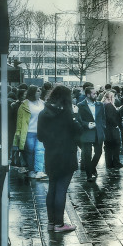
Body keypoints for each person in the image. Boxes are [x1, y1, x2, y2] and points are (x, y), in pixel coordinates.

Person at [38, 85, 82, 233]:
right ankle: (59, 224)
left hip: (50, 155)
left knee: (52, 188)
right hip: (67, 155)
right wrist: (75, 118)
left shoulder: (43, 113)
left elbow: (40, 136)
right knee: (61, 190)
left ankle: (51, 223)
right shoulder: (67, 114)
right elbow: (78, 131)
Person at [13, 85, 47, 179]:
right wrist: (18, 133)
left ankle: (39, 170)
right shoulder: (24, 105)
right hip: (28, 132)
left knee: (40, 151)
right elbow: (19, 121)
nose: (39, 92)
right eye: (37, 91)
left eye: (40, 91)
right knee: (30, 152)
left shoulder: (43, 103)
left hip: (40, 131)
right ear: (32, 92)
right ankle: (31, 170)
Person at [77, 86, 106, 182]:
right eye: (94, 93)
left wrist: (102, 127)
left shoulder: (100, 104)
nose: (96, 95)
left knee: (99, 152)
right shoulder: (81, 105)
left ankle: (92, 167)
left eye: (96, 93)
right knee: (87, 154)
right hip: (87, 132)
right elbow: (79, 119)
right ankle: (89, 175)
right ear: (88, 94)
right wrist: (86, 124)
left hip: (98, 131)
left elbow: (103, 117)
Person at [102, 90, 123, 169]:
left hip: (107, 129)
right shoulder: (109, 105)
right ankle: (116, 163)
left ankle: (109, 163)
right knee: (116, 145)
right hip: (112, 129)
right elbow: (110, 117)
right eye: (113, 96)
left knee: (108, 147)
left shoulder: (104, 104)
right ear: (110, 97)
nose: (115, 98)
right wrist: (116, 125)